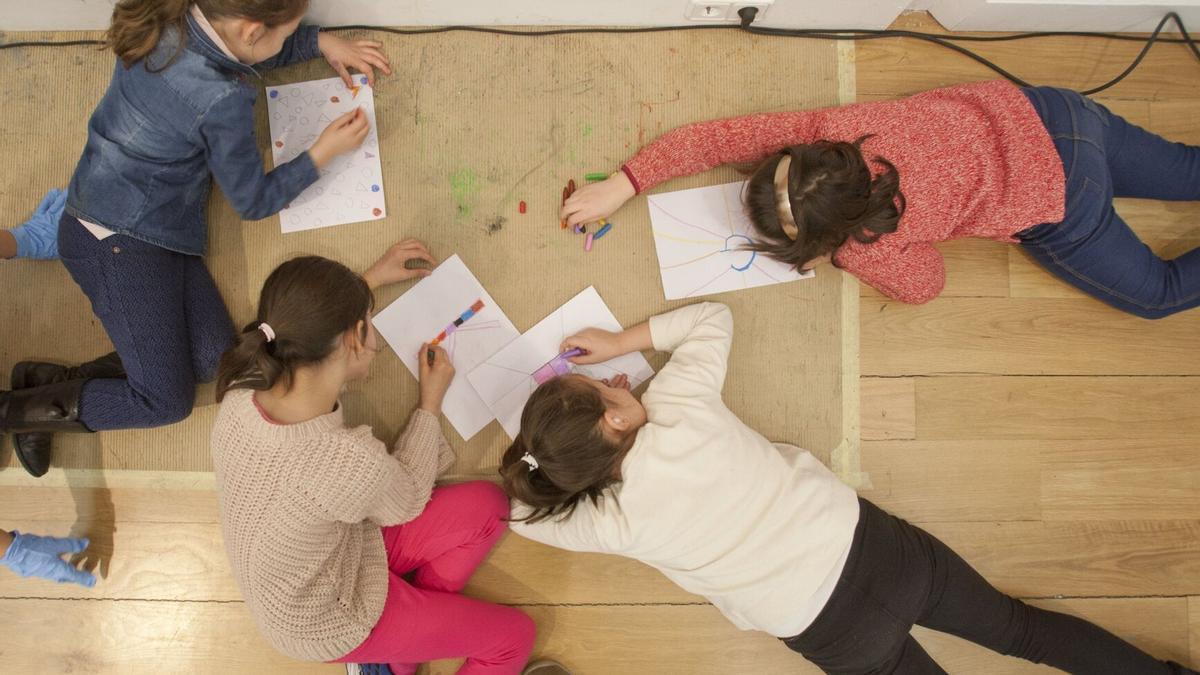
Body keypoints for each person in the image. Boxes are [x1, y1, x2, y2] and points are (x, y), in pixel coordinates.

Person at [500, 301, 1196, 674]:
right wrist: (624, 340)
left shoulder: (613, 522)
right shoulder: (679, 401)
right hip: (875, 550)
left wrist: (550, 465)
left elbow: (523, 519)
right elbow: (713, 318)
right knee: (1022, 629)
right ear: (618, 416)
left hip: (831, 630)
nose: (617, 377)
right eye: (605, 385)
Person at [0, 0, 392, 477]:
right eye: (284, 35)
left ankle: (48, 384)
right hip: (115, 243)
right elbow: (252, 201)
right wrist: (321, 153)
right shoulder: (222, 99)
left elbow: (228, 53)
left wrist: (316, 42)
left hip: (147, 220)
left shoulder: (170, 15)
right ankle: (13, 412)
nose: (287, 41)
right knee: (165, 401)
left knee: (214, 361)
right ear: (250, 30)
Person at [211, 242, 566, 675]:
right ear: (356, 338)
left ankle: (400, 658)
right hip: (328, 618)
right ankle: (384, 652)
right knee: (513, 640)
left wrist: (365, 284)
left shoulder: (243, 384)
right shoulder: (344, 461)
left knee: (488, 508)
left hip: (323, 562)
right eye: (368, 326)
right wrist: (429, 405)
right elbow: (409, 496)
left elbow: (309, 335)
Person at [563, 79, 1200, 319]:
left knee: (1158, 296)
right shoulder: (827, 132)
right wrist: (626, 182)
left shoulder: (875, 239)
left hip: (1062, 199)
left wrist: (844, 256)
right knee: (1189, 171)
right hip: (1056, 112)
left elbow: (926, 285)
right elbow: (717, 140)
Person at [0, 528, 95, 587]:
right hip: (19, 559)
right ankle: (77, 577)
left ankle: (75, 545)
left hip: (21, 541)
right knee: (58, 569)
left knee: (55, 543)